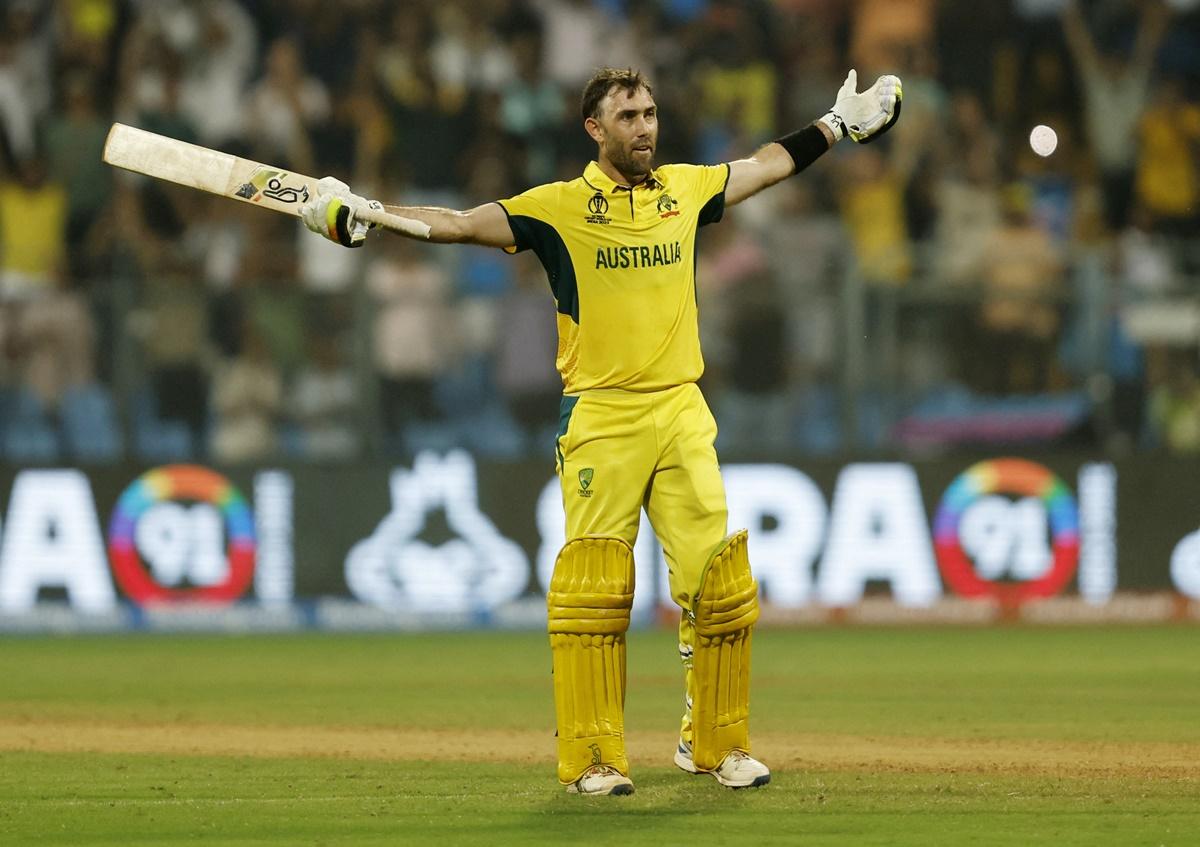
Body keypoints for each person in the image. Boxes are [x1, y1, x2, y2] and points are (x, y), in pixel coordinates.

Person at [299, 66, 901, 796]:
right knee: (595, 594)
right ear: (594, 128)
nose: (645, 127)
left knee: (721, 584)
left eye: (650, 113)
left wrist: (834, 128)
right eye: (628, 117)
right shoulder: (556, 208)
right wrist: (370, 212)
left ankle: (714, 745)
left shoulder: (685, 189)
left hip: (681, 408)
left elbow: (764, 166)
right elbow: (458, 223)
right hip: (602, 415)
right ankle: (593, 758)